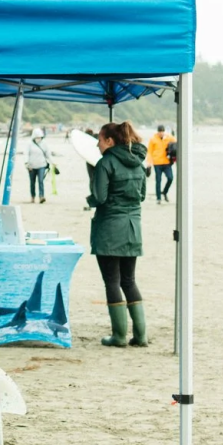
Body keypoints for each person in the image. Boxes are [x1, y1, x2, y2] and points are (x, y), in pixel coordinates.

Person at [88, 122, 150, 347]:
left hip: (109, 228)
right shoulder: (139, 164)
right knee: (129, 280)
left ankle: (119, 336)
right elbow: (141, 195)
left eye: (100, 139)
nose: (97, 143)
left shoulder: (105, 163)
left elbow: (100, 197)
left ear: (110, 141)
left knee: (112, 281)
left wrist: (90, 193)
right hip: (133, 227)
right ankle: (141, 336)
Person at [147, 124, 176, 203]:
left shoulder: (168, 137)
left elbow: (176, 142)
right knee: (158, 180)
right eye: (160, 132)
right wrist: (149, 163)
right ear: (157, 132)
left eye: (162, 131)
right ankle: (158, 198)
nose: (161, 133)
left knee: (170, 178)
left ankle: (165, 192)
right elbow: (149, 152)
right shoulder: (153, 139)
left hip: (167, 162)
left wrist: (171, 133)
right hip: (157, 163)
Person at [24, 127, 53, 203]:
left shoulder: (44, 143)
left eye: (40, 137)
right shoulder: (29, 144)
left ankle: (41, 196)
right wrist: (26, 163)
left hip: (42, 165)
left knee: (41, 181)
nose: (38, 138)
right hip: (31, 166)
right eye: (37, 137)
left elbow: (48, 154)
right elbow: (26, 154)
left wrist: (53, 162)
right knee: (32, 182)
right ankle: (33, 197)